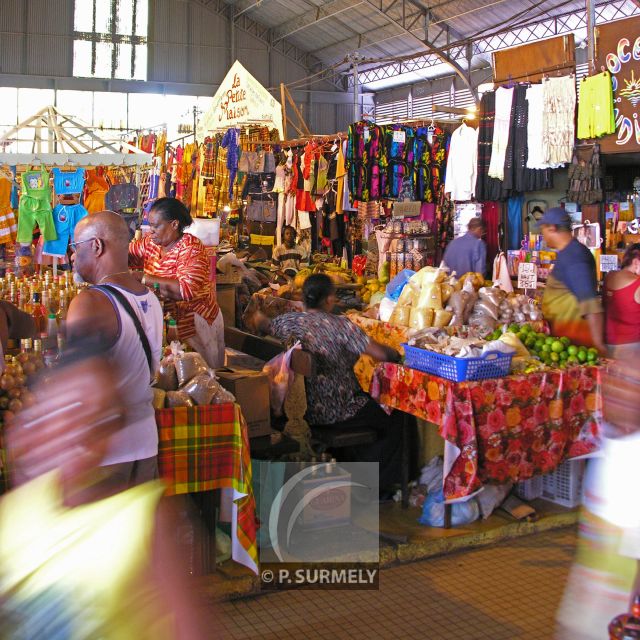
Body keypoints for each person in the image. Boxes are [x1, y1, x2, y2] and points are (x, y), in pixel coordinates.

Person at [0, 340, 213, 638]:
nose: (84, 433)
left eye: (103, 420)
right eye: (72, 409)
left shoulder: (145, 521)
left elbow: (188, 629)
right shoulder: (12, 519)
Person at [246, 273, 405, 493]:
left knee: (373, 409)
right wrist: (396, 351)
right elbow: (381, 354)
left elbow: (263, 324)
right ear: (329, 300)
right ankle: (379, 489)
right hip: (338, 411)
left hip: (302, 412)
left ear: (303, 298)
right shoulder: (341, 326)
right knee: (394, 417)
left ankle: (353, 473)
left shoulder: (290, 322)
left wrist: (257, 315)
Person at [68, 210, 163, 489]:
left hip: (104, 453)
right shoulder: (151, 298)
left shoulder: (90, 303)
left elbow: (76, 388)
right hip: (145, 443)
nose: (72, 257)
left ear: (96, 246)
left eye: (75, 248)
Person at [556, 358, 640, 639]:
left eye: (633, 384)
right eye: (616, 377)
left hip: (617, 618)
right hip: (586, 611)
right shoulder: (608, 439)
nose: (617, 389)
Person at [129, 197, 224, 369]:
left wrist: (143, 277)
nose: (151, 231)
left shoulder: (191, 248)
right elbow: (129, 254)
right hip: (169, 321)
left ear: (174, 224)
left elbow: (185, 291)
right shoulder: (152, 243)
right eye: (150, 225)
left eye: (156, 226)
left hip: (197, 322)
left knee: (201, 377)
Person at [539, 207, 605, 352]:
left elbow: (590, 304)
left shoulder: (574, 256)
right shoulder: (569, 252)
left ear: (552, 228)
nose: (542, 235)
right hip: (563, 341)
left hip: (576, 343)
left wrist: (599, 346)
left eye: (542, 229)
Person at [604, 243, 640, 359]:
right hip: (633, 346)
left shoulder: (609, 277)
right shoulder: (637, 283)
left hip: (609, 343)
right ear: (636, 262)